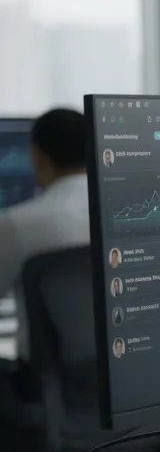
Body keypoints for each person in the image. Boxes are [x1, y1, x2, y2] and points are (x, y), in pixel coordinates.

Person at [0, 109, 92, 344]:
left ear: (37, 157)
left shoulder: (15, 224)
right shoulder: (118, 213)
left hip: (43, 377)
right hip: (117, 370)